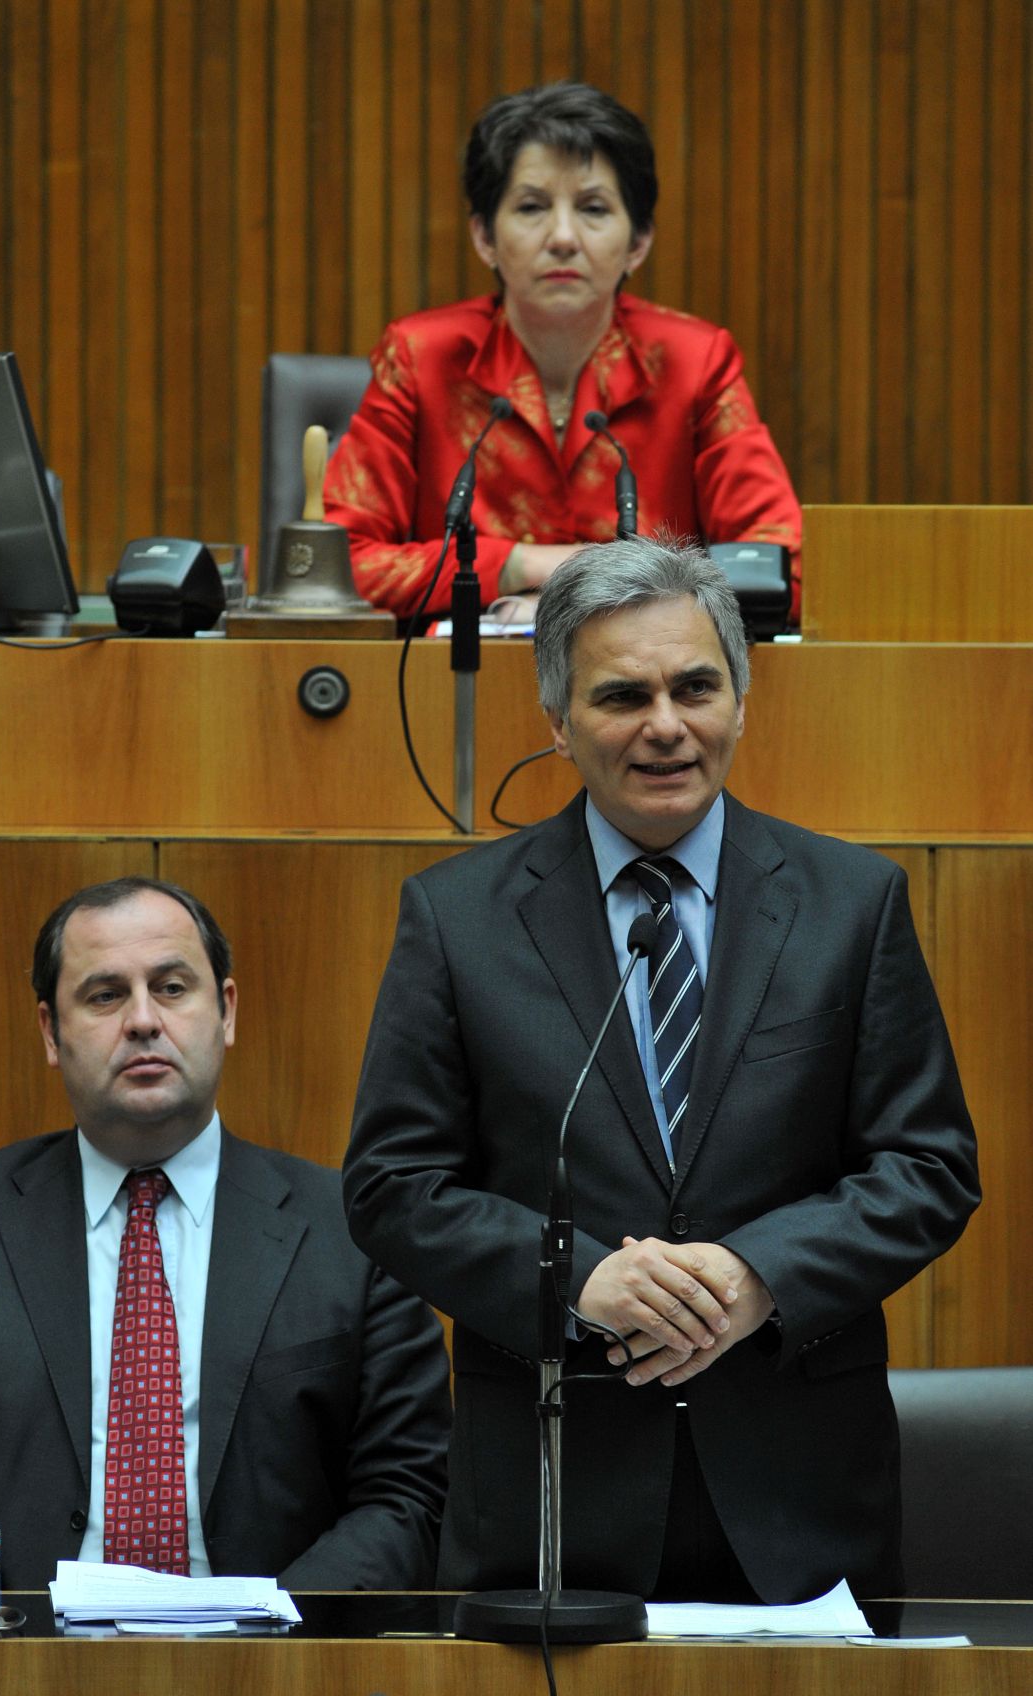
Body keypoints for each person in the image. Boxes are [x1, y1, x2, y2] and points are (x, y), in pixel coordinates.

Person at [343, 536, 979, 1604]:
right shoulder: (457, 920)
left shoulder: (849, 904)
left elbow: (926, 1167)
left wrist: (755, 1274)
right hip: (550, 1501)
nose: (666, 725)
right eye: (621, 695)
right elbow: (390, 1186)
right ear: (555, 721)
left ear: (741, 695)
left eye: (695, 685)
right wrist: (576, 1278)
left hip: (798, 1502)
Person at [0, 877, 450, 1591]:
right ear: (49, 1032)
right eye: (104, 995)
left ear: (224, 1011)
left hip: (277, 1675)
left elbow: (410, 1496)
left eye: (171, 987)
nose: (142, 1020)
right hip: (18, 1675)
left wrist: (267, 1634)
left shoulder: (352, 1228)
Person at [324, 82, 801, 626]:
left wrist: (580, 599)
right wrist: (522, 565)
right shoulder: (418, 358)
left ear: (638, 241)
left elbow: (781, 565)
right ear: (484, 236)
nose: (563, 236)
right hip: (456, 688)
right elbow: (337, 568)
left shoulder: (696, 364)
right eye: (532, 207)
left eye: (593, 208)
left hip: (646, 691)